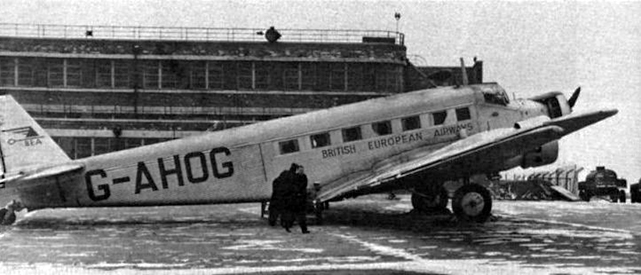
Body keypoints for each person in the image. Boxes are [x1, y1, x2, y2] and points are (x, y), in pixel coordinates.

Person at [286, 164, 309, 234]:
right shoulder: (295, 177)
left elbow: (304, 185)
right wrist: (297, 192)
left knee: (301, 216)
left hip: (301, 199)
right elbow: (295, 186)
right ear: (298, 170)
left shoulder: (304, 177)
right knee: (294, 215)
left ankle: (304, 229)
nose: (301, 171)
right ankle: (287, 226)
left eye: (302, 170)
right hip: (296, 199)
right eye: (300, 170)